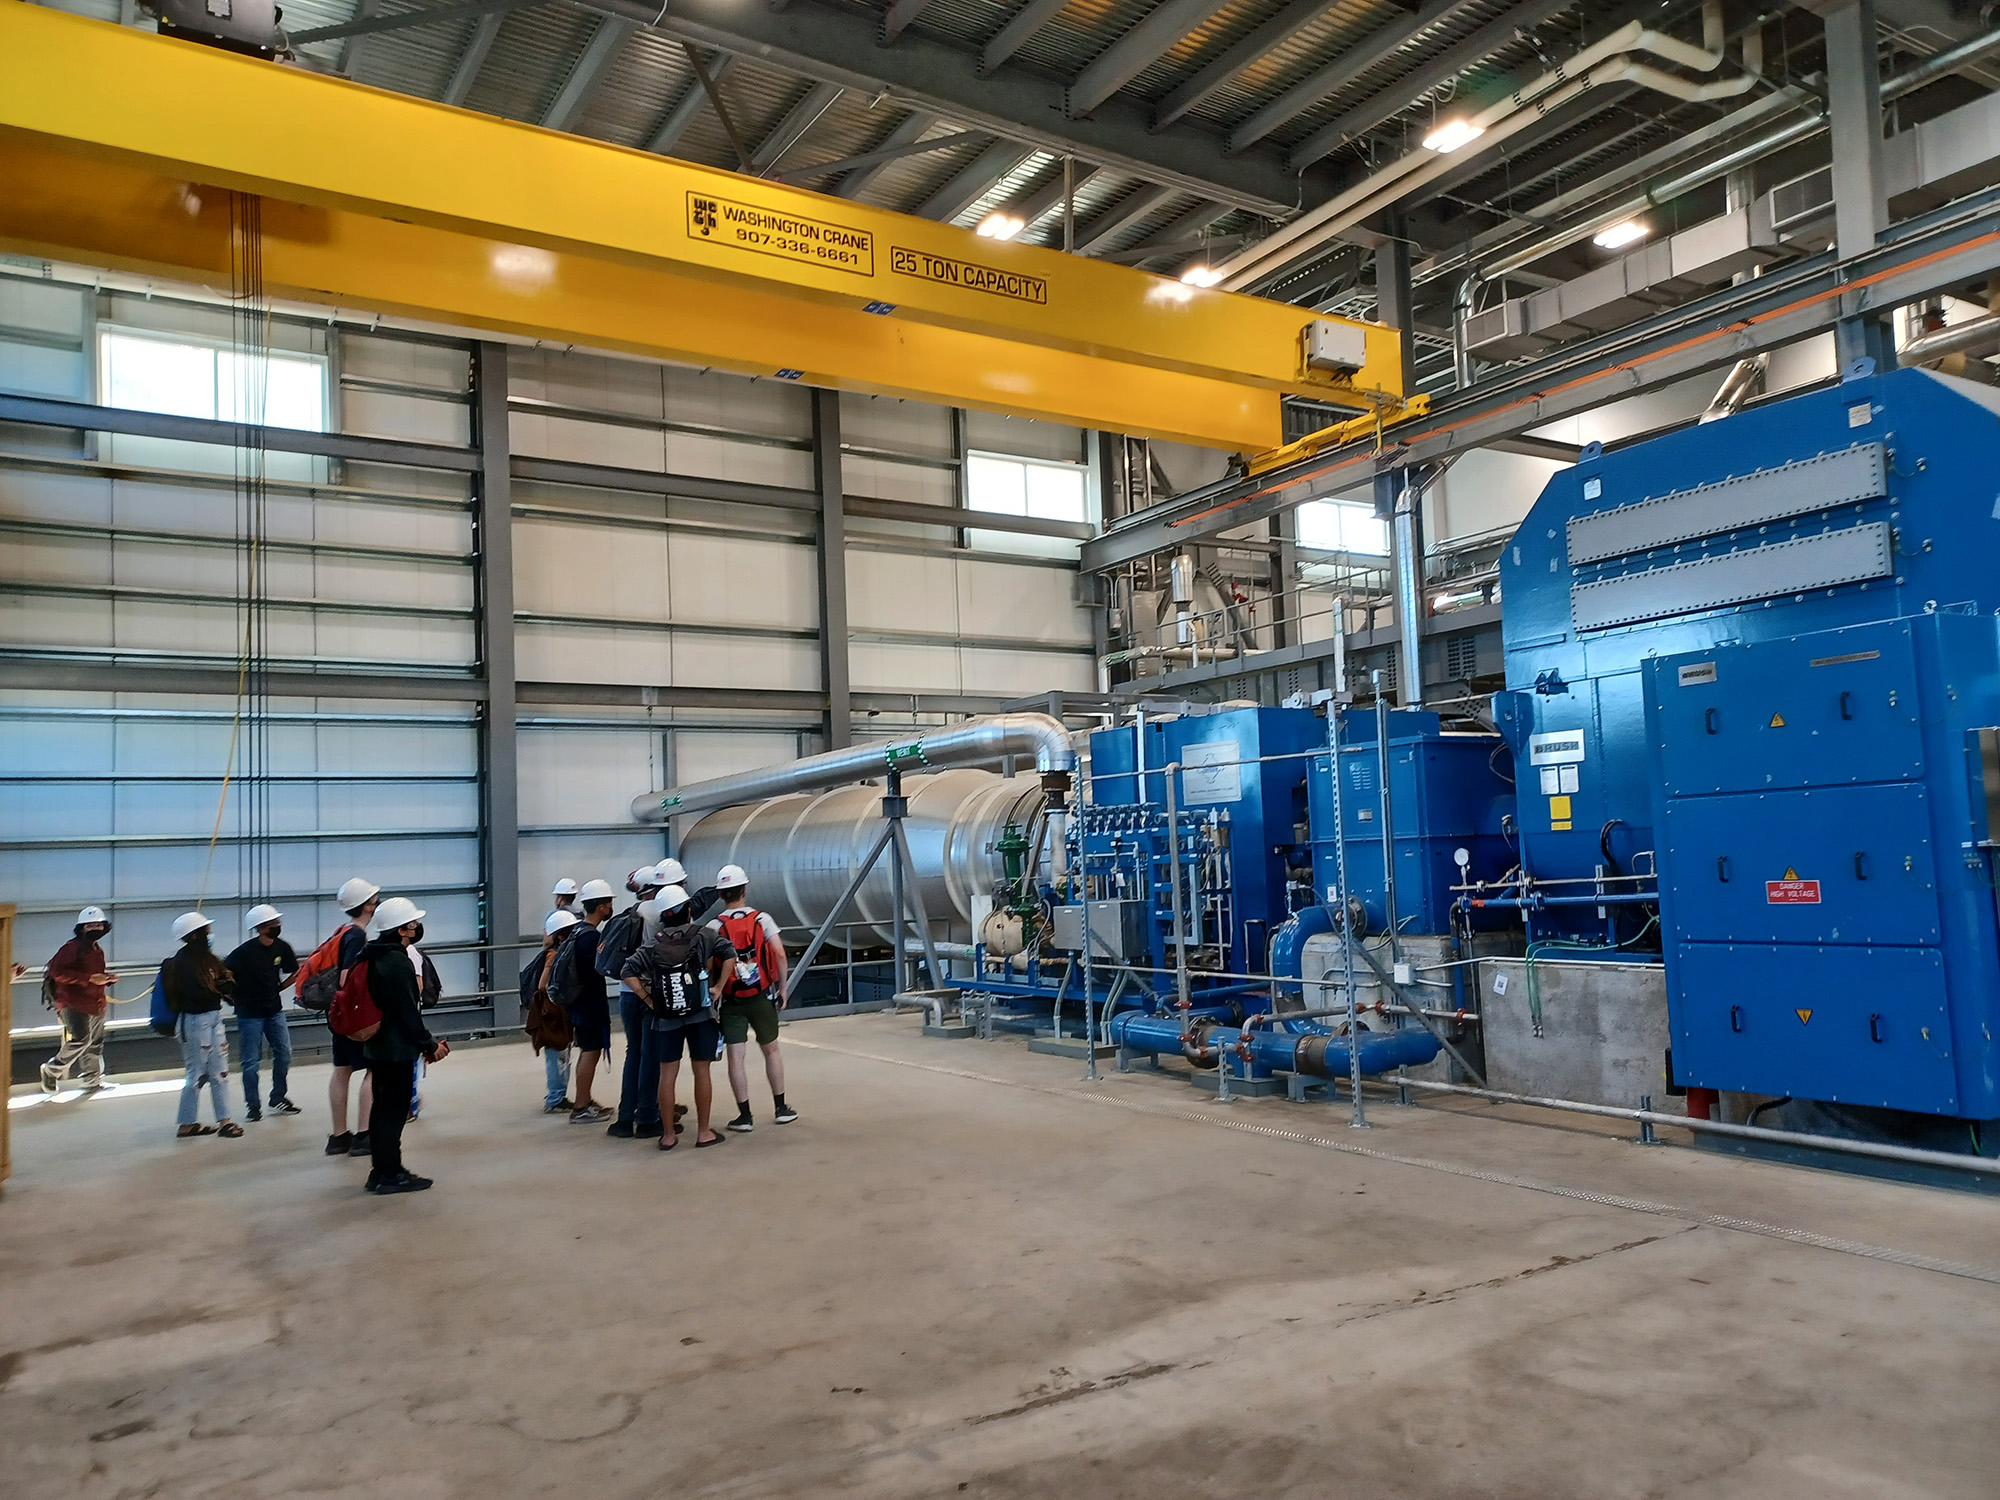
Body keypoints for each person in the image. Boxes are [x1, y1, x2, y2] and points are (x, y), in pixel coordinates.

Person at [621, 885, 737, 1151]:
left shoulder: (654, 943)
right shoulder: (704, 934)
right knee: (702, 1071)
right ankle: (704, 1132)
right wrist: (718, 987)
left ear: (663, 915)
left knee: (667, 1074)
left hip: (665, 1017)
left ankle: (668, 1136)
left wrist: (648, 999)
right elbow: (730, 953)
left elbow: (627, 970)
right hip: (700, 1014)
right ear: (688, 910)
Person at [359, 896, 450, 1194]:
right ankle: (391, 1174)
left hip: (377, 1046)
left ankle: (380, 1171)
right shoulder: (397, 961)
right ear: (401, 930)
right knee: (393, 1113)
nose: (417, 927)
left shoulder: (372, 955)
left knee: (381, 1110)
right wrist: (429, 1044)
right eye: (413, 923)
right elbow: (407, 1012)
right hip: (395, 1049)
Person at [708, 866, 798, 1132]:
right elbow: (780, 954)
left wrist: (714, 993)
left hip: (730, 999)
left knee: (736, 1057)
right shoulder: (762, 919)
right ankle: (781, 1108)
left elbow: (708, 965)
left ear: (721, 894)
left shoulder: (714, 927)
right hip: (762, 995)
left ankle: (745, 1117)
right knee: (771, 1050)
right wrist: (783, 988)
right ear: (744, 890)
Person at [161, 912, 241, 1139]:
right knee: (196, 1074)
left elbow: (223, 979)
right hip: (195, 1022)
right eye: (205, 930)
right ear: (194, 935)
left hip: (212, 1018)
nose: (209, 934)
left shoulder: (207, 958)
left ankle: (225, 1121)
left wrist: (225, 986)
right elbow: (197, 994)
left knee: (220, 1072)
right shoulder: (183, 963)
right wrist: (220, 990)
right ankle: (186, 1124)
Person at [604, 867, 667, 1140]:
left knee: (634, 1053)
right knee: (651, 1055)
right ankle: (648, 1118)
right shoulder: (658, 913)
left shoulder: (629, 914)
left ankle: (625, 1117)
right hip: (650, 993)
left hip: (626, 992)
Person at [319, 877, 379, 1159]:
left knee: (342, 1070)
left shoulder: (341, 932)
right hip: (353, 1014)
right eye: (373, 900)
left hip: (337, 1014)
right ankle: (364, 1135)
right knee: (374, 1070)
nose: (377, 904)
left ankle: (339, 1136)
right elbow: (347, 977)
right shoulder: (356, 936)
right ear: (366, 905)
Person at [223, 905, 300, 1122]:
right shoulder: (243, 953)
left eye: (277, 922)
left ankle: (278, 1097)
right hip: (249, 1015)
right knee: (250, 1061)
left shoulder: (282, 947)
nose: (277, 926)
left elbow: (296, 971)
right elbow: (223, 975)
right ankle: (253, 1105)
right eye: (272, 923)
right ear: (260, 928)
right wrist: (232, 997)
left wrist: (280, 988)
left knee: (284, 1054)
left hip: (274, 1011)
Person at [40, 906, 117, 1094]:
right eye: (90, 925)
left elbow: (92, 976)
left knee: (95, 1042)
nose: (95, 928)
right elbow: (56, 972)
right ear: (81, 928)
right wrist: (89, 979)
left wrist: (106, 978)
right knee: (81, 1040)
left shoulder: (95, 949)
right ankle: (51, 1070)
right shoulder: (72, 948)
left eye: (98, 925)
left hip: (95, 1002)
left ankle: (92, 1080)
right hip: (73, 1003)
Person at [559, 878, 617, 1125]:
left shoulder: (578, 931)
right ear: (601, 906)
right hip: (589, 1005)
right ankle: (581, 1107)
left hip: (580, 1004)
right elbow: (596, 970)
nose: (610, 907)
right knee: (590, 1052)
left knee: (589, 1050)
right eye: (609, 903)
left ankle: (585, 1100)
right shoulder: (591, 938)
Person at [526, 910, 579, 1113]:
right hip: (553, 1013)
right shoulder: (554, 955)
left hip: (554, 1012)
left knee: (560, 1054)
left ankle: (557, 1096)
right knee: (557, 1055)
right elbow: (543, 984)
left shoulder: (556, 953)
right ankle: (556, 1098)